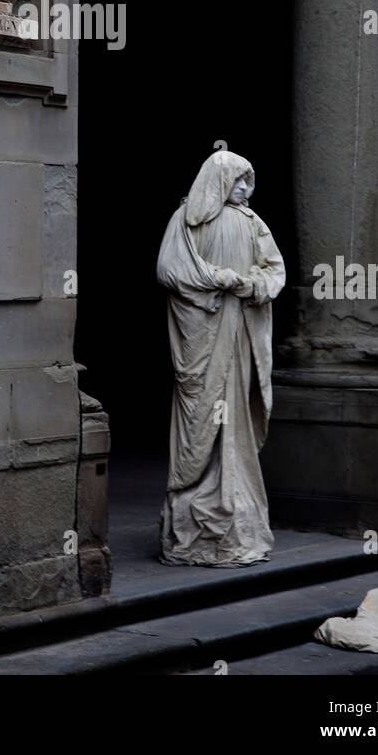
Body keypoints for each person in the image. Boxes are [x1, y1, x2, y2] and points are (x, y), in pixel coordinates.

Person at [156, 150, 286, 567]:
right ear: (217, 182)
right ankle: (193, 519)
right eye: (238, 181)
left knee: (235, 424)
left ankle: (235, 515)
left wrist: (253, 286)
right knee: (200, 418)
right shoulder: (186, 221)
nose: (245, 189)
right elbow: (171, 271)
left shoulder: (253, 223)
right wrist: (221, 278)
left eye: (250, 181)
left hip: (238, 339)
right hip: (204, 338)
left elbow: (274, 270)